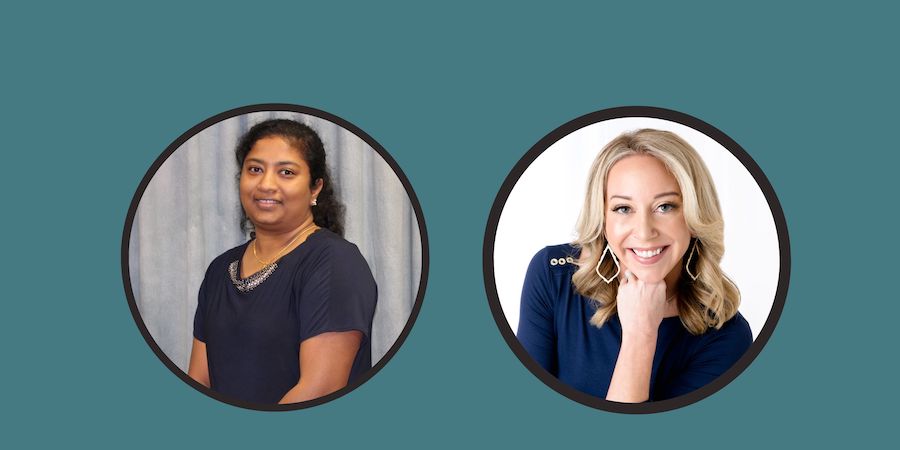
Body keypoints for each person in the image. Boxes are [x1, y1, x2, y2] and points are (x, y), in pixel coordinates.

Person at [517, 129, 751, 403]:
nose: (644, 231)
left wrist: (641, 333)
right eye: (623, 209)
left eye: (665, 206)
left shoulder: (727, 336)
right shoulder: (553, 274)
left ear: (694, 215)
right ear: (603, 218)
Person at [188, 118, 377, 405]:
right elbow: (199, 380)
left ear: (315, 188)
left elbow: (318, 390)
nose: (266, 184)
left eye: (286, 172)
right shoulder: (219, 270)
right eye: (255, 169)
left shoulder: (334, 262)